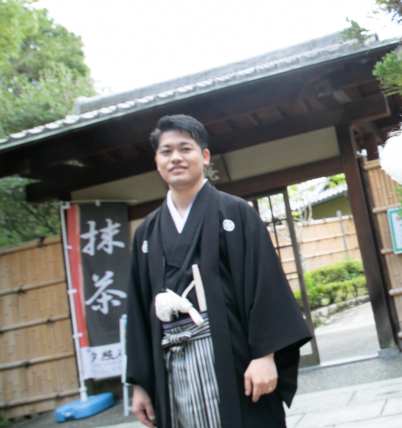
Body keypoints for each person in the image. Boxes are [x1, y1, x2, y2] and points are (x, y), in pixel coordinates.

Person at [126, 114, 312, 428]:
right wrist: (140, 383)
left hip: (236, 360)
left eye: (185, 148)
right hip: (172, 367)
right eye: (166, 151)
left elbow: (265, 284)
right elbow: (138, 310)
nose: (175, 157)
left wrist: (266, 355)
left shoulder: (236, 213)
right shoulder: (147, 232)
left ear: (204, 156)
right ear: (157, 162)